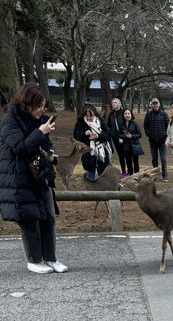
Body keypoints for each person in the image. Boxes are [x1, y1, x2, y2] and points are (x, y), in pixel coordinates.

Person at [0, 83, 67, 273]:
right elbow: (20, 148)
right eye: (38, 106)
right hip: (19, 177)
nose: (41, 110)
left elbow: (48, 145)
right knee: (29, 219)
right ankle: (34, 260)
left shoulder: (40, 121)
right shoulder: (10, 120)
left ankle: (51, 258)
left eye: (43, 106)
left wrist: (52, 156)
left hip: (40, 175)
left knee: (48, 216)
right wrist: (40, 133)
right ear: (27, 103)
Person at [73, 103, 112, 181]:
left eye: (91, 116)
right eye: (86, 116)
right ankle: (90, 192)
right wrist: (85, 134)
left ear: (94, 114)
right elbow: (76, 136)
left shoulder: (100, 122)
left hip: (101, 152)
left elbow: (108, 135)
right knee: (90, 174)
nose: (88, 118)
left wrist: (99, 136)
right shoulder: (80, 123)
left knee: (102, 175)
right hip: (88, 152)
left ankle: (103, 191)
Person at [143, 97, 169, 181]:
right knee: (154, 158)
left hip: (162, 140)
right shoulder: (148, 114)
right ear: (151, 105)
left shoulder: (164, 114)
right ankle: (156, 176)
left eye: (156, 103)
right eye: (153, 103)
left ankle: (165, 176)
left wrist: (165, 134)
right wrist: (148, 134)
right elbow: (145, 126)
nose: (155, 105)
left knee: (163, 158)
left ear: (159, 104)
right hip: (152, 140)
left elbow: (168, 126)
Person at [117, 107, 143, 176]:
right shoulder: (122, 125)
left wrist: (132, 136)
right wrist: (125, 136)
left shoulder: (134, 124)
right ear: (123, 115)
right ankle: (130, 175)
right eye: (125, 113)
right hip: (126, 146)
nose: (127, 115)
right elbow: (119, 134)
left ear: (131, 115)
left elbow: (140, 134)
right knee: (128, 162)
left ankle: (137, 175)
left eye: (128, 113)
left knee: (135, 162)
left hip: (134, 145)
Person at [107, 97, 127, 175]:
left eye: (115, 102)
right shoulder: (111, 114)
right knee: (120, 155)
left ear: (120, 104)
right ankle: (124, 172)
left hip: (124, 137)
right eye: (113, 102)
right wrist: (110, 133)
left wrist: (124, 134)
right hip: (115, 138)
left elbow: (128, 123)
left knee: (126, 154)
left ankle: (130, 170)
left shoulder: (124, 113)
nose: (113, 104)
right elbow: (108, 125)